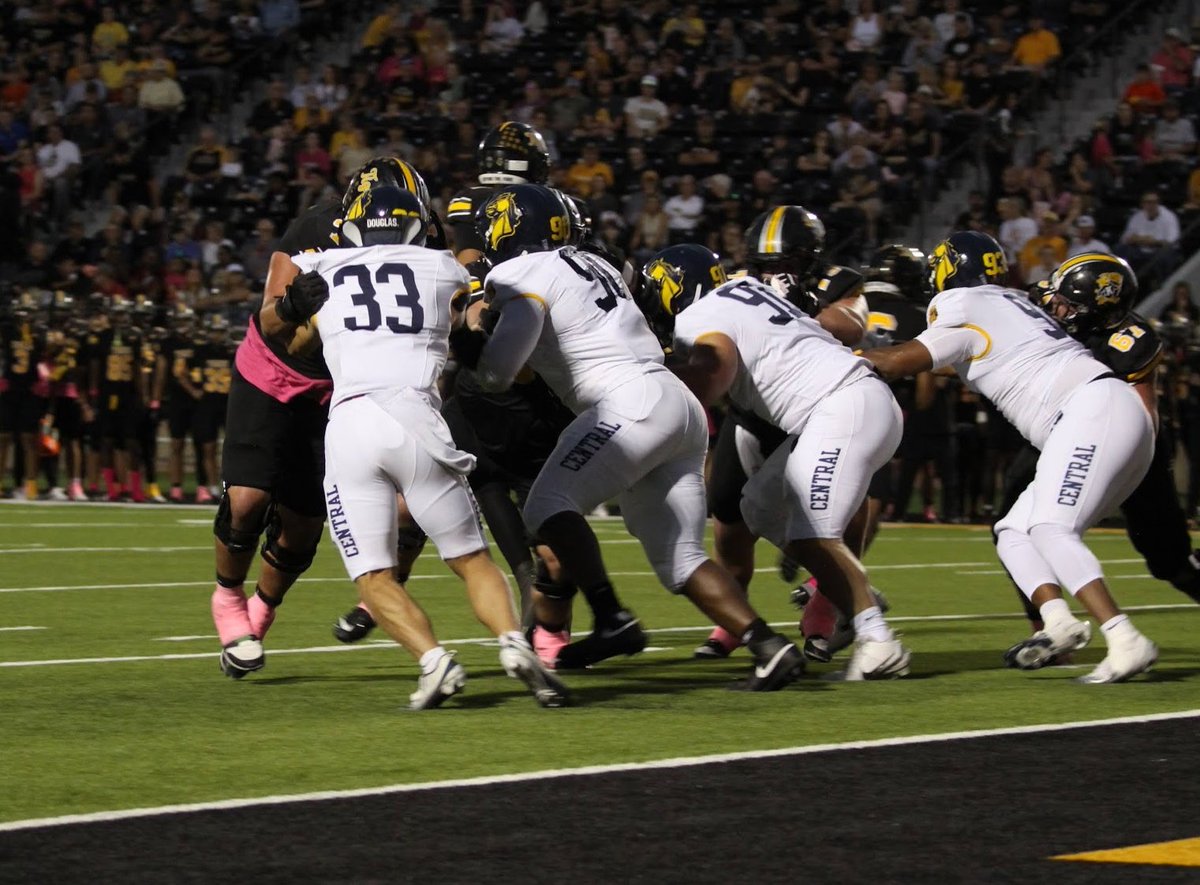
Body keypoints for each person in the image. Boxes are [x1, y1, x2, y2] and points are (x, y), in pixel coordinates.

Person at [460, 185, 803, 689]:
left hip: (628, 403)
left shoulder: (518, 272)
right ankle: (770, 647)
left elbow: (499, 374)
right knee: (680, 559)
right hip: (676, 405)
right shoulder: (592, 263)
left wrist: (467, 342)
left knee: (545, 507)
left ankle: (611, 616)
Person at [264, 185, 567, 709]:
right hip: (419, 421)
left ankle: (434, 661)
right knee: (471, 559)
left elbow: (277, 330)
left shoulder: (321, 263)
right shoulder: (444, 269)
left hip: (353, 425)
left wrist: (299, 312)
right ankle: (514, 643)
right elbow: (463, 315)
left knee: (374, 576)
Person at [865, 233, 1158, 683]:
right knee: (1013, 531)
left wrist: (839, 358)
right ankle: (1058, 622)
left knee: (1050, 527)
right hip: (1104, 412)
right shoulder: (1007, 297)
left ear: (949, 268)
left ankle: (1124, 638)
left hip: (1090, 410)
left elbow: (904, 361)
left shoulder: (961, 303)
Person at [208, 156, 431, 679]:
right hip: (271, 372)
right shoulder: (315, 227)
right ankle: (226, 598)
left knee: (304, 523)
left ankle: (261, 611)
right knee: (247, 500)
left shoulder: (428, 235)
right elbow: (268, 322)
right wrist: (291, 307)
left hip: (341, 386)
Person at [646, 240, 910, 680]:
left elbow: (715, 372)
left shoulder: (699, 316)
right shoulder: (750, 293)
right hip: (842, 405)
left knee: (811, 533)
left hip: (840, 406)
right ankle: (852, 591)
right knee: (756, 506)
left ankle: (878, 640)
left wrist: (661, 389)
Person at [1001, 256, 1200, 657]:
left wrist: (1128, 466)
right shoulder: (1053, 297)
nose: (1057, 309)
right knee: (1011, 526)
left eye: (1069, 305)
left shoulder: (1131, 340)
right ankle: (1051, 628)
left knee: (1169, 561)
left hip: (1123, 442)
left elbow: (1143, 416)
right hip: (1056, 430)